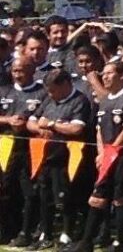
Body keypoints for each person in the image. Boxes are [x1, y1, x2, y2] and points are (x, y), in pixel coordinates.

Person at [71, 62, 123, 252]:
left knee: (120, 198)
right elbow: (99, 130)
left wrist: (112, 152)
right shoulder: (105, 100)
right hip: (107, 156)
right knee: (97, 197)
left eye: (110, 73)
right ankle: (86, 241)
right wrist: (102, 152)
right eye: (104, 73)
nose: (105, 76)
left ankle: (119, 242)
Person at [27, 69, 92, 251]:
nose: (50, 94)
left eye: (53, 89)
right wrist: (39, 129)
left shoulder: (79, 101)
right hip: (46, 157)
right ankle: (45, 234)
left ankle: (67, 234)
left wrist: (52, 125)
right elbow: (31, 122)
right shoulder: (50, 100)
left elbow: (76, 129)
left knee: (65, 199)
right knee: (44, 196)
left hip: (67, 159)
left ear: (65, 85)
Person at [0, 57, 47, 246]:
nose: (18, 74)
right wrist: (8, 120)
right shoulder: (4, 91)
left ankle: (27, 230)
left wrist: (28, 124)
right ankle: (5, 230)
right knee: (4, 189)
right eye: (15, 71)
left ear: (32, 70)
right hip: (5, 146)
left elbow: (46, 116)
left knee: (29, 191)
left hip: (31, 147)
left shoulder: (42, 93)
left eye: (22, 70)